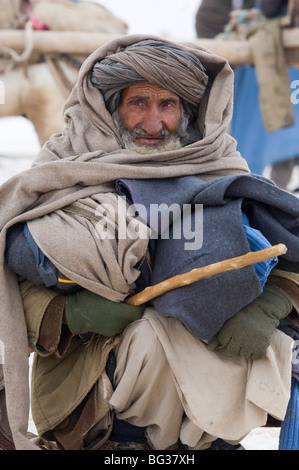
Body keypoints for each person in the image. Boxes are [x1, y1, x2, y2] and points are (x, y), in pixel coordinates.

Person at [0, 35, 298, 452]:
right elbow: (16, 276)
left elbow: (286, 253)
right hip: (92, 397)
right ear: (110, 108)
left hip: (211, 410)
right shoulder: (62, 172)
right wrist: (71, 314)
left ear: (189, 111)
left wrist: (272, 306)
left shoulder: (219, 167)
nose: (153, 124)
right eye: (138, 102)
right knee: (151, 338)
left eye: (168, 105)